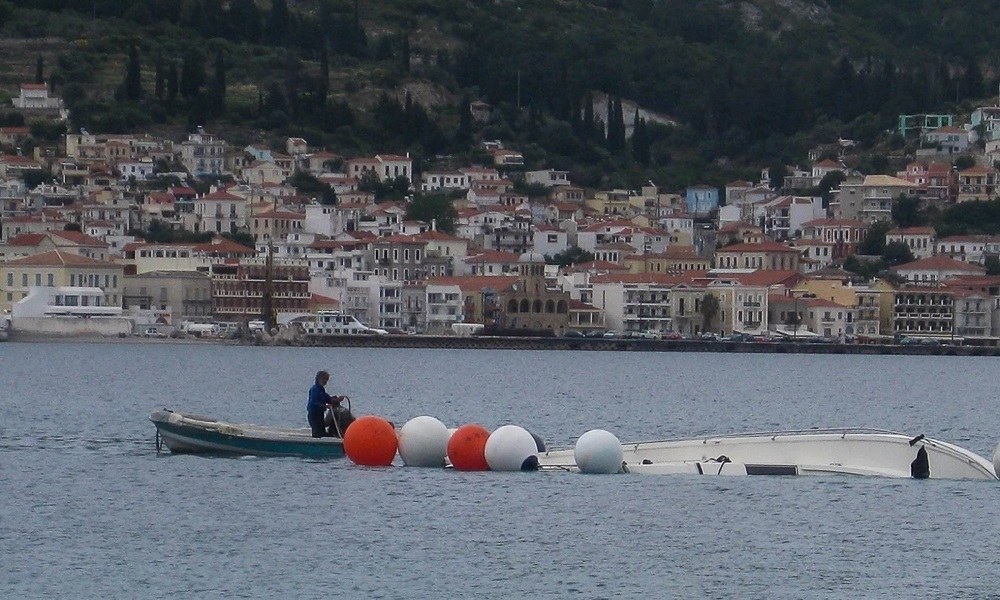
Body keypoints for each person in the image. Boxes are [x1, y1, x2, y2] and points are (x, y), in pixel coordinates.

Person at [307, 370, 343, 438]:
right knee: (317, 433)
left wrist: (337, 399)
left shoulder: (321, 389)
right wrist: (325, 406)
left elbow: (327, 399)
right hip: (314, 414)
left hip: (320, 414)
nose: (326, 382)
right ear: (320, 379)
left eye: (327, 380)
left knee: (322, 431)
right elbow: (314, 402)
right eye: (325, 379)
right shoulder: (315, 389)